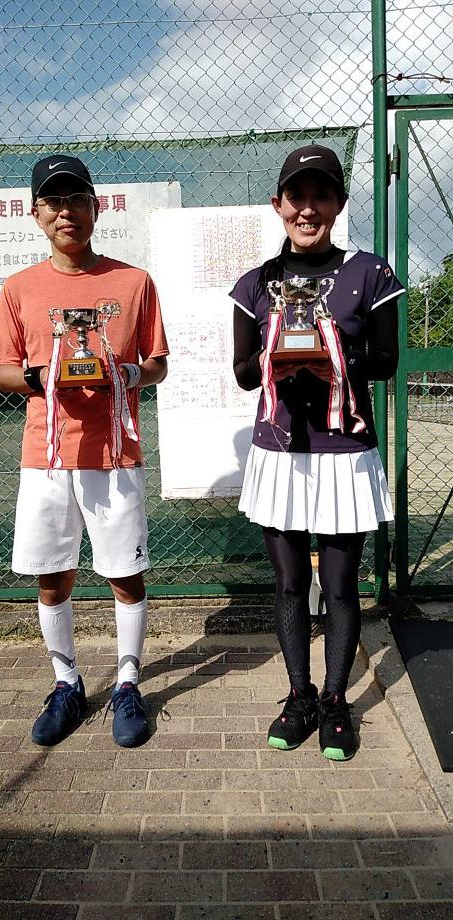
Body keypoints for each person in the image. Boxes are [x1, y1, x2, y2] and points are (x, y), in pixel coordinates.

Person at [0, 154, 168, 749]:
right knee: (52, 574)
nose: (66, 212)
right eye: (54, 201)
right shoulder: (19, 288)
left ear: (96, 207)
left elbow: (157, 363)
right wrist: (43, 378)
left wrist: (126, 374)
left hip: (115, 453)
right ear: (36, 213)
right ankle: (66, 683)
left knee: (125, 574)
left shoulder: (134, 283)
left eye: (77, 200)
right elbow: (3, 372)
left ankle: (128, 682)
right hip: (46, 454)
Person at [230, 145, 403, 761]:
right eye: (296, 197)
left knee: (339, 585)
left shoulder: (370, 273)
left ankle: (335, 702)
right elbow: (243, 374)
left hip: (345, 450)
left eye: (321, 196)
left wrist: (334, 355)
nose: (308, 209)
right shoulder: (257, 283)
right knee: (289, 584)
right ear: (278, 204)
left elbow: (386, 361)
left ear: (339, 203)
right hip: (280, 451)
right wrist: (277, 357)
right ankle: (299, 695)